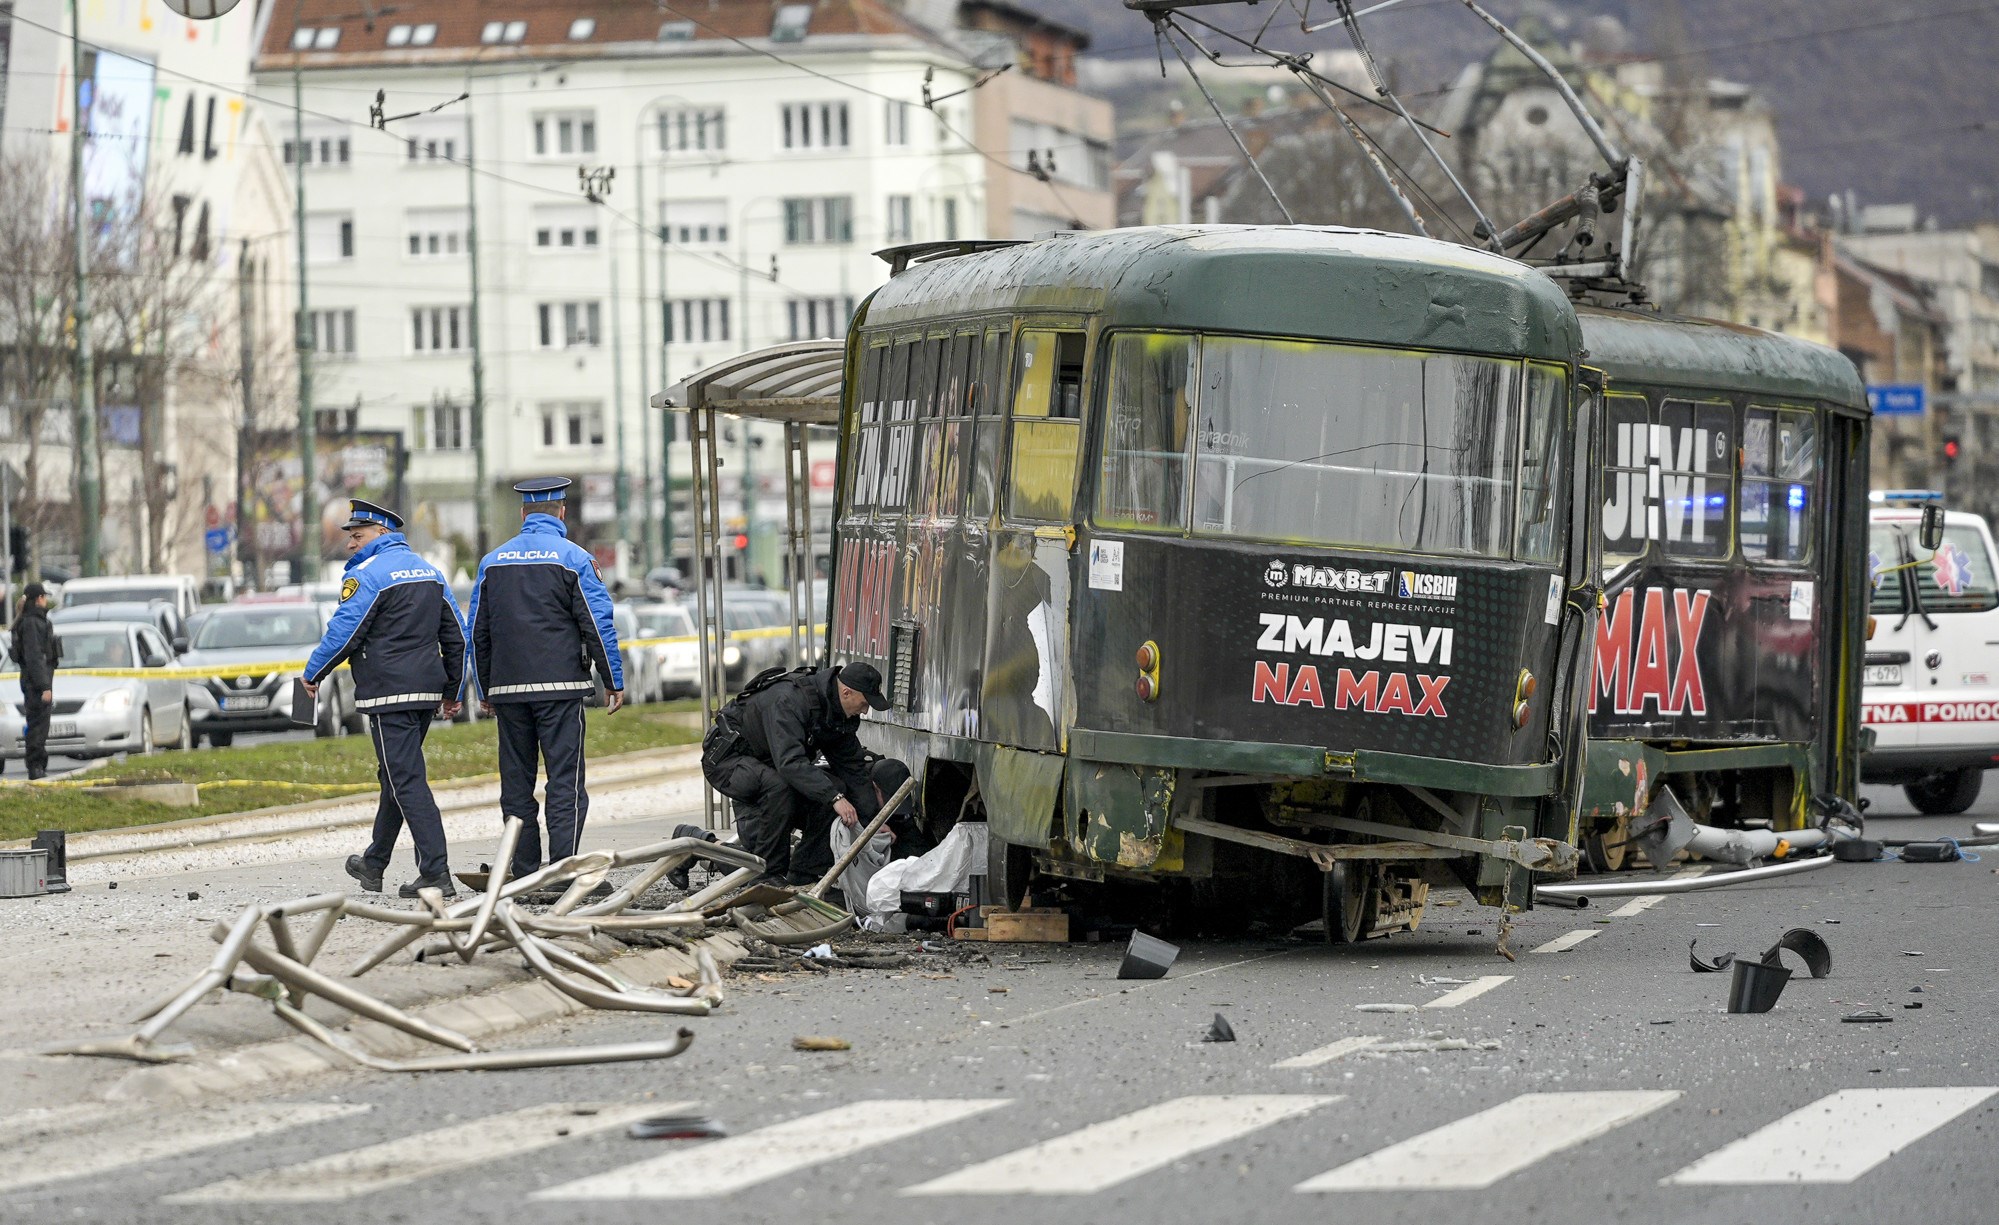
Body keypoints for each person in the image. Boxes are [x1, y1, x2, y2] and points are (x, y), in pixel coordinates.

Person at [305, 499, 466, 898]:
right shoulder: (431, 573)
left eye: (357, 536)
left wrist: (312, 674)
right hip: (425, 693)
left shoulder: (368, 575)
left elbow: (345, 632)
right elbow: (457, 636)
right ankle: (374, 863)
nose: (350, 544)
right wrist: (452, 690)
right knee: (394, 775)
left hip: (389, 695)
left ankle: (436, 872)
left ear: (382, 533)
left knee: (406, 780)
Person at [467, 477, 623, 881]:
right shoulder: (575, 559)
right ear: (562, 512)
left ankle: (522, 870)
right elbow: (597, 623)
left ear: (523, 514)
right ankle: (561, 869)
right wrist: (613, 679)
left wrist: (484, 688)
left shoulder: (491, 563)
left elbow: (477, 632)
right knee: (564, 782)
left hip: (508, 691)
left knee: (516, 784)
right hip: (561, 689)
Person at [700, 661, 890, 886]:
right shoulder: (789, 700)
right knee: (785, 793)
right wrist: (834, 798)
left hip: (770, 767)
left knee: (834, 790)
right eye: (865, 703)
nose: (865, 711)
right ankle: (766, 875)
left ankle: (803, 873)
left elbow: (853, 770)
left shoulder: (837, 711)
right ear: (847, 692)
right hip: (727, 762)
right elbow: (789, 763)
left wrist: (873, 821)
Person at [10, 583, 59, 779]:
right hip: (36, 683)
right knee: (38, 726)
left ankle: (38, 765)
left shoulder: (35, 620)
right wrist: (44, 686)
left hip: (36, 681)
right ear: (39, 598)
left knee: (40, 724)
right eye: (44, 597)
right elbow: (35, 658)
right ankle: (35, 766)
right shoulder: (32, 623)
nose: (45, 600)